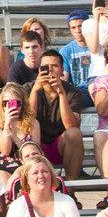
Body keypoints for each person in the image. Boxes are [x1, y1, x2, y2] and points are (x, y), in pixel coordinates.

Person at [23, 49, 86, 181]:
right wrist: (35, 91)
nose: (50, 71)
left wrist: (61, 94)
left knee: (74, 133)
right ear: (39, 69)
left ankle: (70, 189)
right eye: (46, 67)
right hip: (34, 143)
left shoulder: (73, 92)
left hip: (59, 146)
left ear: (62, 70)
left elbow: (71, 125)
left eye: (55, 66)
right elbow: (27, 122)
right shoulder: (28, 89)